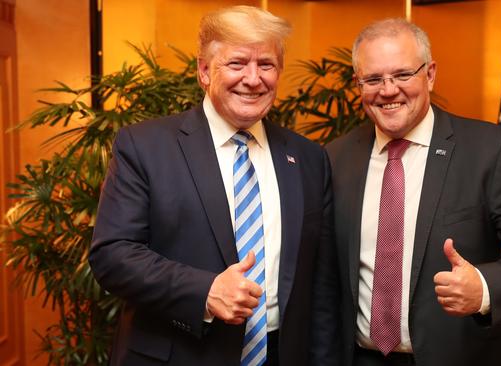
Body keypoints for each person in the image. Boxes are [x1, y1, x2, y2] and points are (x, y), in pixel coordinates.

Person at [89, 6, 338, 366]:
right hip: (180, 355)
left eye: (266, 65)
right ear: (204, 71)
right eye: (237, 64)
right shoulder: (145, 146)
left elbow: (321, 284)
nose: (253, 79)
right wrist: (203, 291)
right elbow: (112, 254)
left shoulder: (309, 158)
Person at [325, 18, 501, 366]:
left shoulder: (489, 150)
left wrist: (484, 286)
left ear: (430, 74)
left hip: (463, 356)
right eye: (373, 79)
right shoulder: (334, 157)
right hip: (361, 358)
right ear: (358, 84)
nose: (388, 90)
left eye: (403, 75)